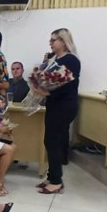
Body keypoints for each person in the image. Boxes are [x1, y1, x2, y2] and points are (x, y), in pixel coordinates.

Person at [34, 28, 82, 194]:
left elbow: (64, 85)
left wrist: (46, 91)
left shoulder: (71, 60)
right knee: (50, 140)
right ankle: (52, 175)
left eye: (54, 40)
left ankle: (56, 181)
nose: (50, 42)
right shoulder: (55, 59)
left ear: (63, 41)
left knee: (53, 141)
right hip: (54, 105)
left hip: (64, 106)